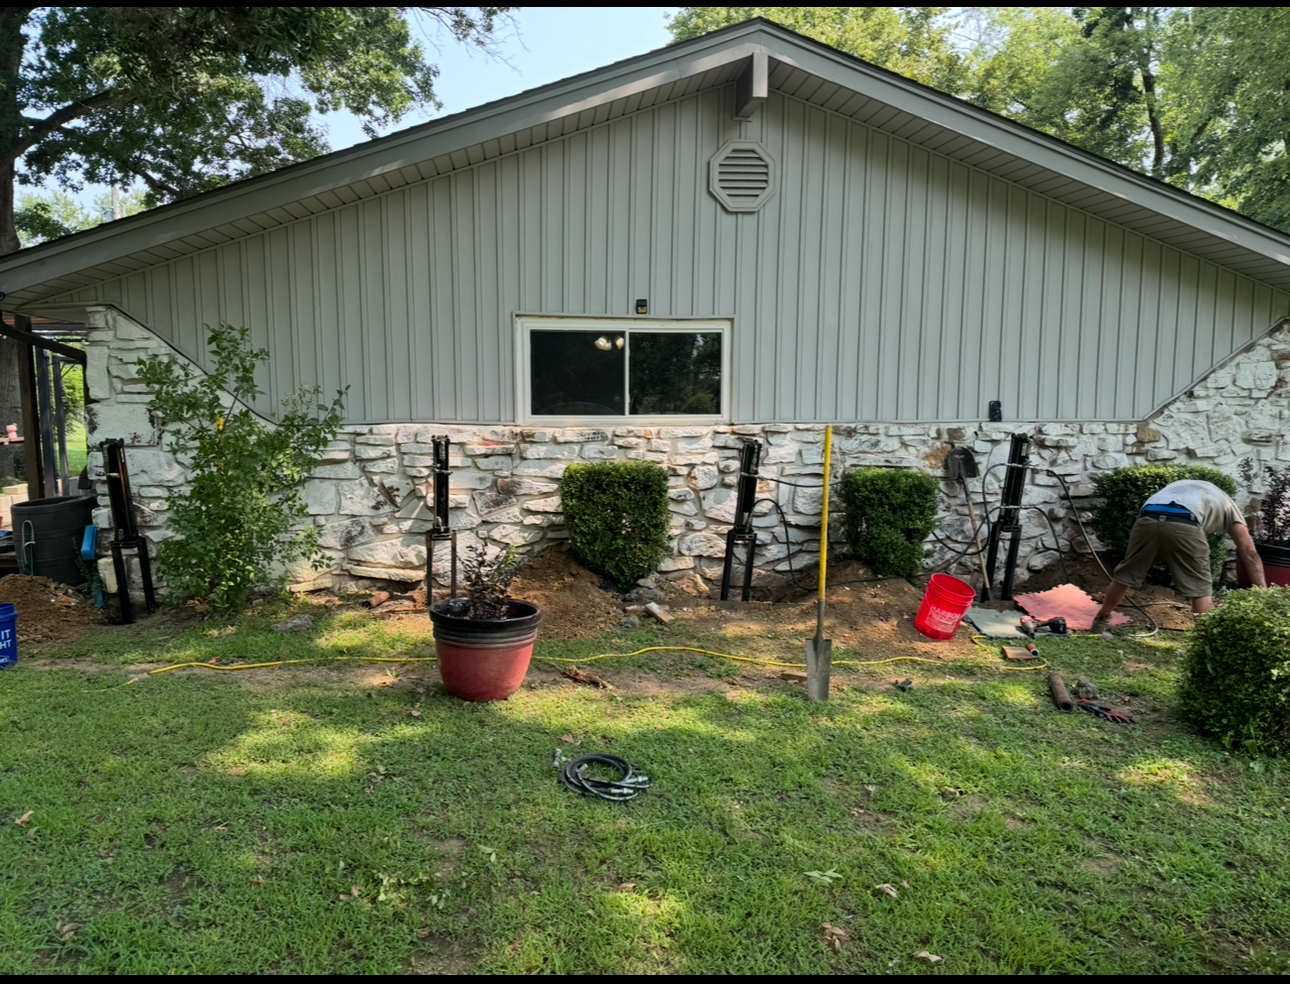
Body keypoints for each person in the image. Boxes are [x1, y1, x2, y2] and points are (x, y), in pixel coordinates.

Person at [1092, 479, 1266, 633]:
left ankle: (1101, 620)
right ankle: (1203, 639)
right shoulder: (1230, 507)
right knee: (1200, 585)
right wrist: (1264, 593)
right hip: (1185, 520)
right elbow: (1249, 552)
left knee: (1126, 574)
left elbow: (1163, 523)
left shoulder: (1179, 488)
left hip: (1147, 518)